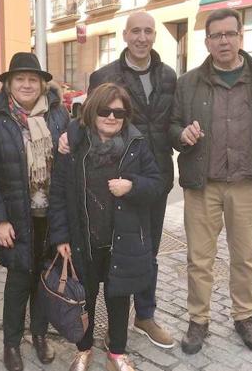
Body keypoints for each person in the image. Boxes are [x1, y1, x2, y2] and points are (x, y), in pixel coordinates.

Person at [169, 8, 252, 355]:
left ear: (240, 36)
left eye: (229, 34)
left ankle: (244, 316)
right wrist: (183, 136)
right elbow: (171, 128)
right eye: (216, 35)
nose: (223, 41)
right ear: (206, 41)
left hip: (249, 182)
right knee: (199, 257)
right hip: (202, 183)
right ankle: (198, 319)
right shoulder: (188, 82)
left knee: (244, 256)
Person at [58, 11, 176, 349]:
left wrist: (185, 135)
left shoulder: (168, 75)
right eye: (135, 31)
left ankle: (145, 315)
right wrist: (68, 135)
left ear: (154, 36)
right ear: (125, 34)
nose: (142, 37)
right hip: (111, 180)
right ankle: (115, 324)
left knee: (147, 251)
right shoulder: (105, 74)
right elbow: (86, 117)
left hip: (153, 177)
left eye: (148, 31)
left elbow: (174, 121)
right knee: (112, 254)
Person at [50, 83, 163, 371]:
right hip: (83, 238)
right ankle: (84, 349)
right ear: (92, 111)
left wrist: (132, 186)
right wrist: (60, 235)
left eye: (119, 112)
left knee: (119, 296)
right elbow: (59, 192)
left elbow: (157, 184)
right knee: (85, 297)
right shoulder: (74, 144)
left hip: (120, 240)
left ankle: (117, 353)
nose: (111, 117)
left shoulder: (136, 145)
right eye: (104, 110)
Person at [0, 52, 69, 371]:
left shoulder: (59, 115)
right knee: (19, 280)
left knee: (44, 280)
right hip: (17, 217)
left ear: (42, 84)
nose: (26, 84)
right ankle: (11, 343)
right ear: (8, 84)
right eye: (19, 79)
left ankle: (39, 336)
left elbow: (70, 164)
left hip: (51, 216)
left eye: (32, 79)